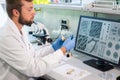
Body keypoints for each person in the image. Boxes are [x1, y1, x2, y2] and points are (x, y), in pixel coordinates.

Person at [0, 0, 75, 80]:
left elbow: (32, 56)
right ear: (16, 13)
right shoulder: (6, 36)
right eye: (29, 10)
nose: (34, 12)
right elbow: (34, 69)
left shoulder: (20, 30)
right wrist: (63, 50)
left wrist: (53, 48)